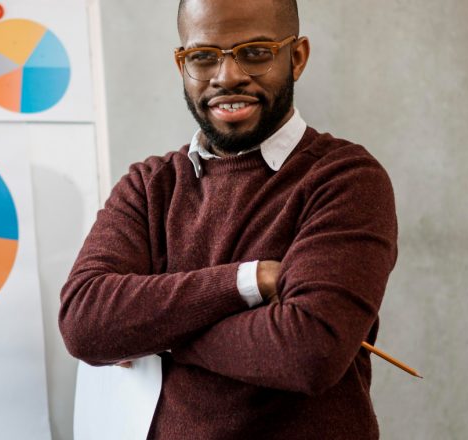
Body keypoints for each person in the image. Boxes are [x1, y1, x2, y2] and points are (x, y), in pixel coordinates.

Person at [58, 0, 398, 438]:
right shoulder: (148, 186)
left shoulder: (345, 178)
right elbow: (84, 323)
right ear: (181, 64)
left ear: (296, 57)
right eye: (203, 57)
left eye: (255, 52)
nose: (227, 76)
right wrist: (249, 281)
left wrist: (152, 332)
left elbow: (308, 351)